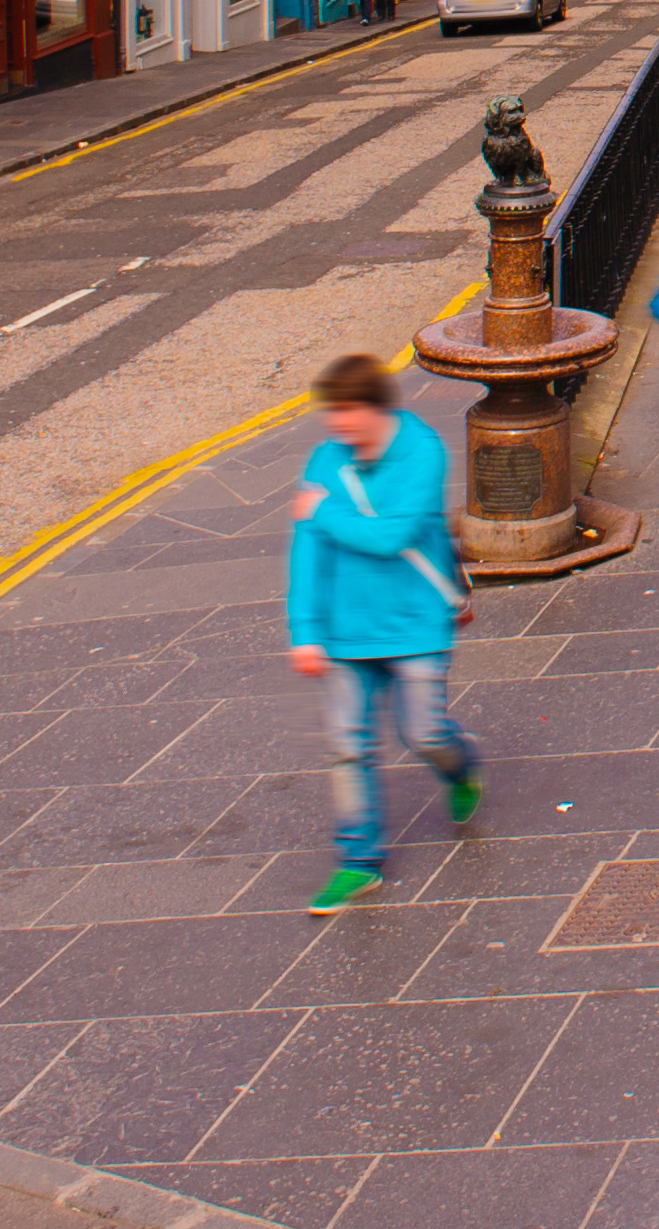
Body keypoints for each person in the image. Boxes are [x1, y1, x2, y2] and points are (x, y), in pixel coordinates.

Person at [283, 353, 480, 915]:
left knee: (423, 733)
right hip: (344, 632)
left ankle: (461, 770)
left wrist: (320, 512)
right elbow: (307, 553)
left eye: (346, 411)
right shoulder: (327, 459)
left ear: (375, 408)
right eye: (331, 412)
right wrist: (305, 631)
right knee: (348, 748)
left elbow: (392, 537)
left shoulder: (420, 451)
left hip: (415, 622)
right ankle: (357, 862)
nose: (336, 424)